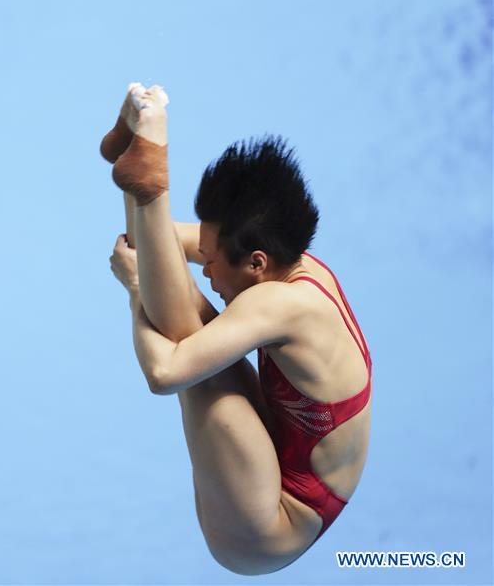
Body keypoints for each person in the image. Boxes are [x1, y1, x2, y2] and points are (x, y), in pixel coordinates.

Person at [102, 84, 372, 575]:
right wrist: (135, 179)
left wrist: (136, 289)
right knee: (179, 293)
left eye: (211, 261)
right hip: (272, 456)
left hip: (270, 529)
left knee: (195, 362)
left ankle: (150, 170)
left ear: (256, 263)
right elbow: (155, 243)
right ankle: (144, 158)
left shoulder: (280, 304)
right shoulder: (295, 266)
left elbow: (164, 374)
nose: (205, 269)